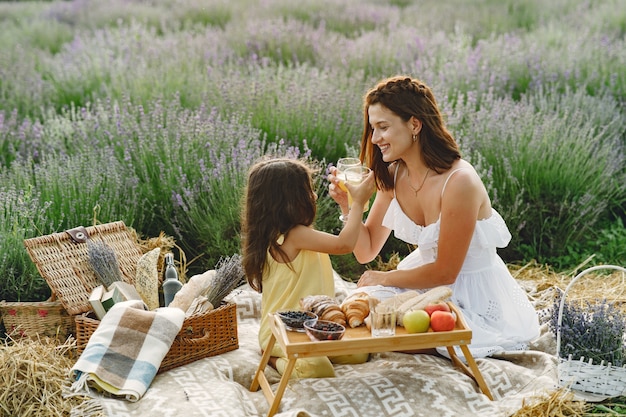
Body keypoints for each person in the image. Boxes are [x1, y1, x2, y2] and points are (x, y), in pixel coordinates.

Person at [328, 76, 540, 358]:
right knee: (365, 313)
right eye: (372, 128)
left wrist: (386, 277)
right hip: (421, 281)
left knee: (404, 335)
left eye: (383, 127)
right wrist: (350, 206)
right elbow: (365, 251)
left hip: (469, 289)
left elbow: (446, 272)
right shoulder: (394, 173)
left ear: (414, 124)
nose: (375, 138)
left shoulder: (459, 181)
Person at [241, 157, 374, 378]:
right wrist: (358, 203)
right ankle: (274, 359)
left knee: (359, 353)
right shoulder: (294, 236)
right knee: (317, 369)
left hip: (315, 328)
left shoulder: (289, 235)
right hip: (283, 332)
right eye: (307, 191)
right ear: (287, 201)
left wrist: (346, 207)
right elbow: (344, 244)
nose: (314, 196)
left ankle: (310, 354)